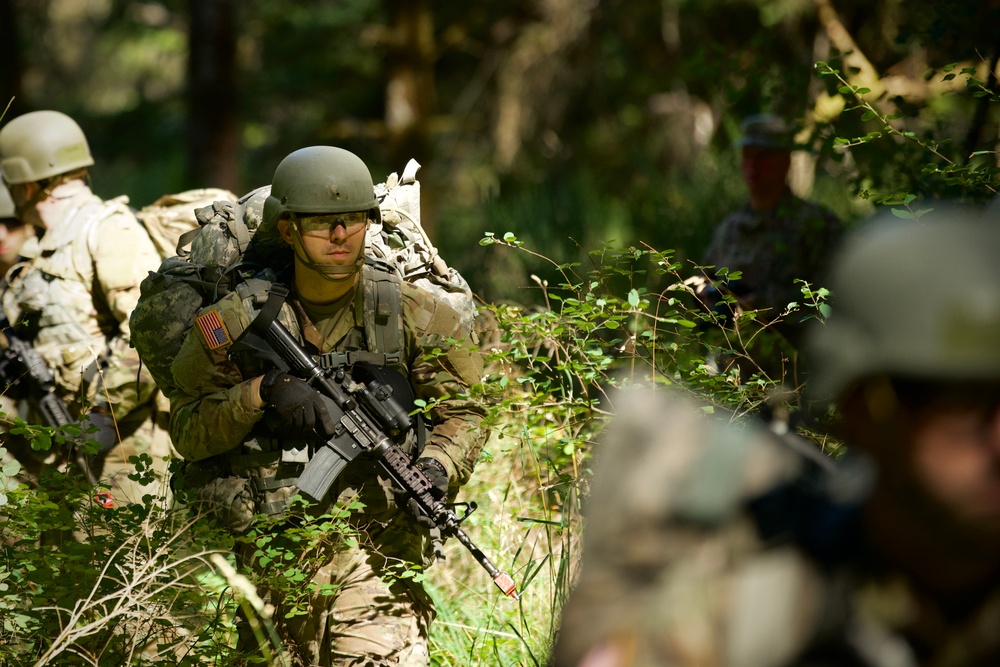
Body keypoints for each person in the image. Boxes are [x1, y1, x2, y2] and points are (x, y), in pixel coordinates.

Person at [553, 208, 1000, 667]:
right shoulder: (749, 619)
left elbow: (811, 299)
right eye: (966, 402)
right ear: (862, 408)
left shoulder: (811, 226)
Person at [167, 145, 489, 665]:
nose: (340, 236)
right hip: (273, 562)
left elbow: (466, 411)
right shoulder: (237, 319)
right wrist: (263, 392)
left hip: (380, 559)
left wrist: (437, 466)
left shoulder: (413, 312)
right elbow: (186, 426)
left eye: (353, 221)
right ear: (289, 230)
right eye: (322, 223)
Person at [0, 109, 170, 504]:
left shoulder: (106, 229)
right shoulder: (40, 247)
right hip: (59, 444)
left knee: (118, 565)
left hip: (122, 453)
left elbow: (151, 334)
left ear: (25, 183)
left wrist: (102, 418)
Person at [699, 114, 843, 382]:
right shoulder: (729, 230)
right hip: (733, 379)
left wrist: (764, 305)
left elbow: (834, 301)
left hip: (796, 378)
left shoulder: (816, 225)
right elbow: (707, 286)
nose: (754, 165)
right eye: (748, 155)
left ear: (786, 161)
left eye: (764, 156)